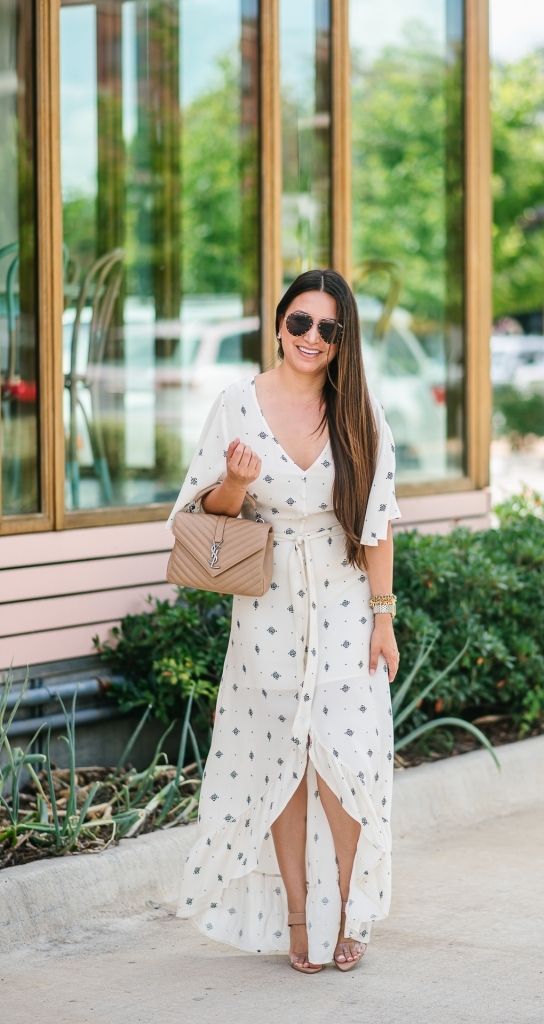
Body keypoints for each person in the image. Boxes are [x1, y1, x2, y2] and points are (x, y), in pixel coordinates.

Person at [168, 269, 400, 973]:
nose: (312, 338)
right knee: (284, 768)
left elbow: (379, 523)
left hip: (345, 602)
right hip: (267, 606)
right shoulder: (236, 405)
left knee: (347, 765)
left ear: (342, 340)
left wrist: (383, 619)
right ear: (279, 324)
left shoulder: (359, 410)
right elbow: (199, 518)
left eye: (329, 329)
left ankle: (353, 915)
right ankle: (300, 920)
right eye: (301, 322)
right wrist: (235, 484)